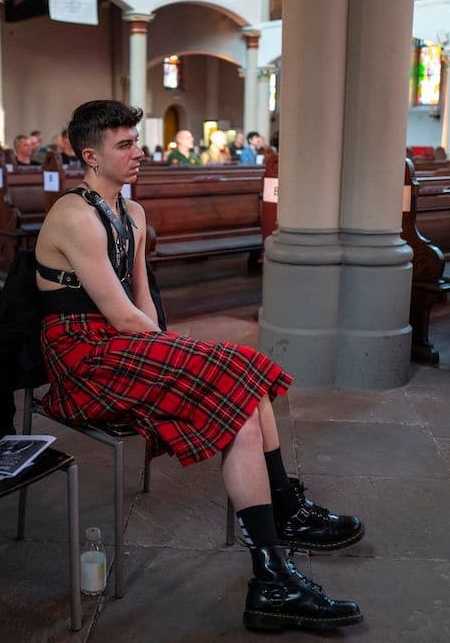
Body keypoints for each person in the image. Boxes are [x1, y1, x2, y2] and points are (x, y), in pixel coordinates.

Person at [35, 100, 365, 631]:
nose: (139, 152)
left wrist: (173, 352)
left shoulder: (132, 213)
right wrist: (182, 356)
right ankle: (280, 538)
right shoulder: (73, 216)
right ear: (91, 156)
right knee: (236, 370)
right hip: (82, 356)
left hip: (121, 343)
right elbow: (121, 316)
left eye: (136, 141)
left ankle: (274, 564)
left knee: (243, 377)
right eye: (125, 144)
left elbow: (142, 299)